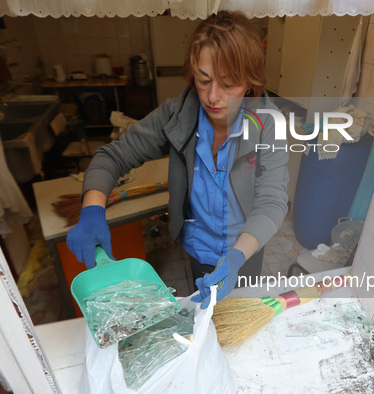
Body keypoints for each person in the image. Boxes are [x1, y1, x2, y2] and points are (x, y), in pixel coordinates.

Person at [67, 11, 289, 307]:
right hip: (197, 247)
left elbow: (272, 202)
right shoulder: (177, 115)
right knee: (204, 311)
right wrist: (92, 211)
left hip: (245, 249)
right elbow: (113, 155)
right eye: (203, 79)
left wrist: (236, 257)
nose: (212, 97)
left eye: (228, 84)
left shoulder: (268, 124)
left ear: (250, 82)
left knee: (239, 315)